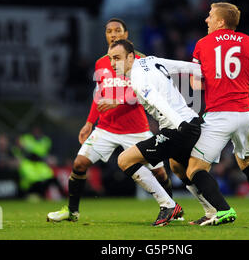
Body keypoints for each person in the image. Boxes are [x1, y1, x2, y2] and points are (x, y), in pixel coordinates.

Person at [47, 19, 174, 222]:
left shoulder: (140, 61)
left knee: (159, 172)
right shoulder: (100, 62)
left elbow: (144, 92)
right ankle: (72, 212)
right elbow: (99, 95)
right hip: (105, 128)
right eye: (109, 31)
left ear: (126, 34)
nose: (113, 34)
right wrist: (89, 122)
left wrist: (118, 101)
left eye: (117, 30)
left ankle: (173, 210)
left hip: (136, 129)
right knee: (79, 164)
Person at [186, 2, 249, 226]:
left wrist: (214, 82)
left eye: (210, 16)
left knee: (194, 169)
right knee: (248, 163)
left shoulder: (202, 43)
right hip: (245, 114)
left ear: (220, 22)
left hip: (219, 115)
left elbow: (195, 84)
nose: (206, 20)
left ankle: (222, 210)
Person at [108, 39, 216, 227]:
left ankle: (168, 205)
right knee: (178, 167)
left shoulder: (137, 78)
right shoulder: (149, 60)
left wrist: (178, 124)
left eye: (117, 58)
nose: (112, 63)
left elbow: (158, 102)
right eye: (110, 59)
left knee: (124, 160)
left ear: (131, 57)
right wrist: (203, 71)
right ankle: (211, 211)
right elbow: (180, 66)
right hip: (190, 120)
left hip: (178, 127)